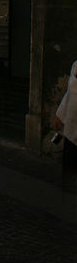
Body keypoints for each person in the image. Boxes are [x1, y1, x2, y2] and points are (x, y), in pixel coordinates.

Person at [53, 60, 77, 191]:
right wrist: (60, 116)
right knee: (70, 164)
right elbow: (70, 93)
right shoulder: (75, 65)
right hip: (71, 128)